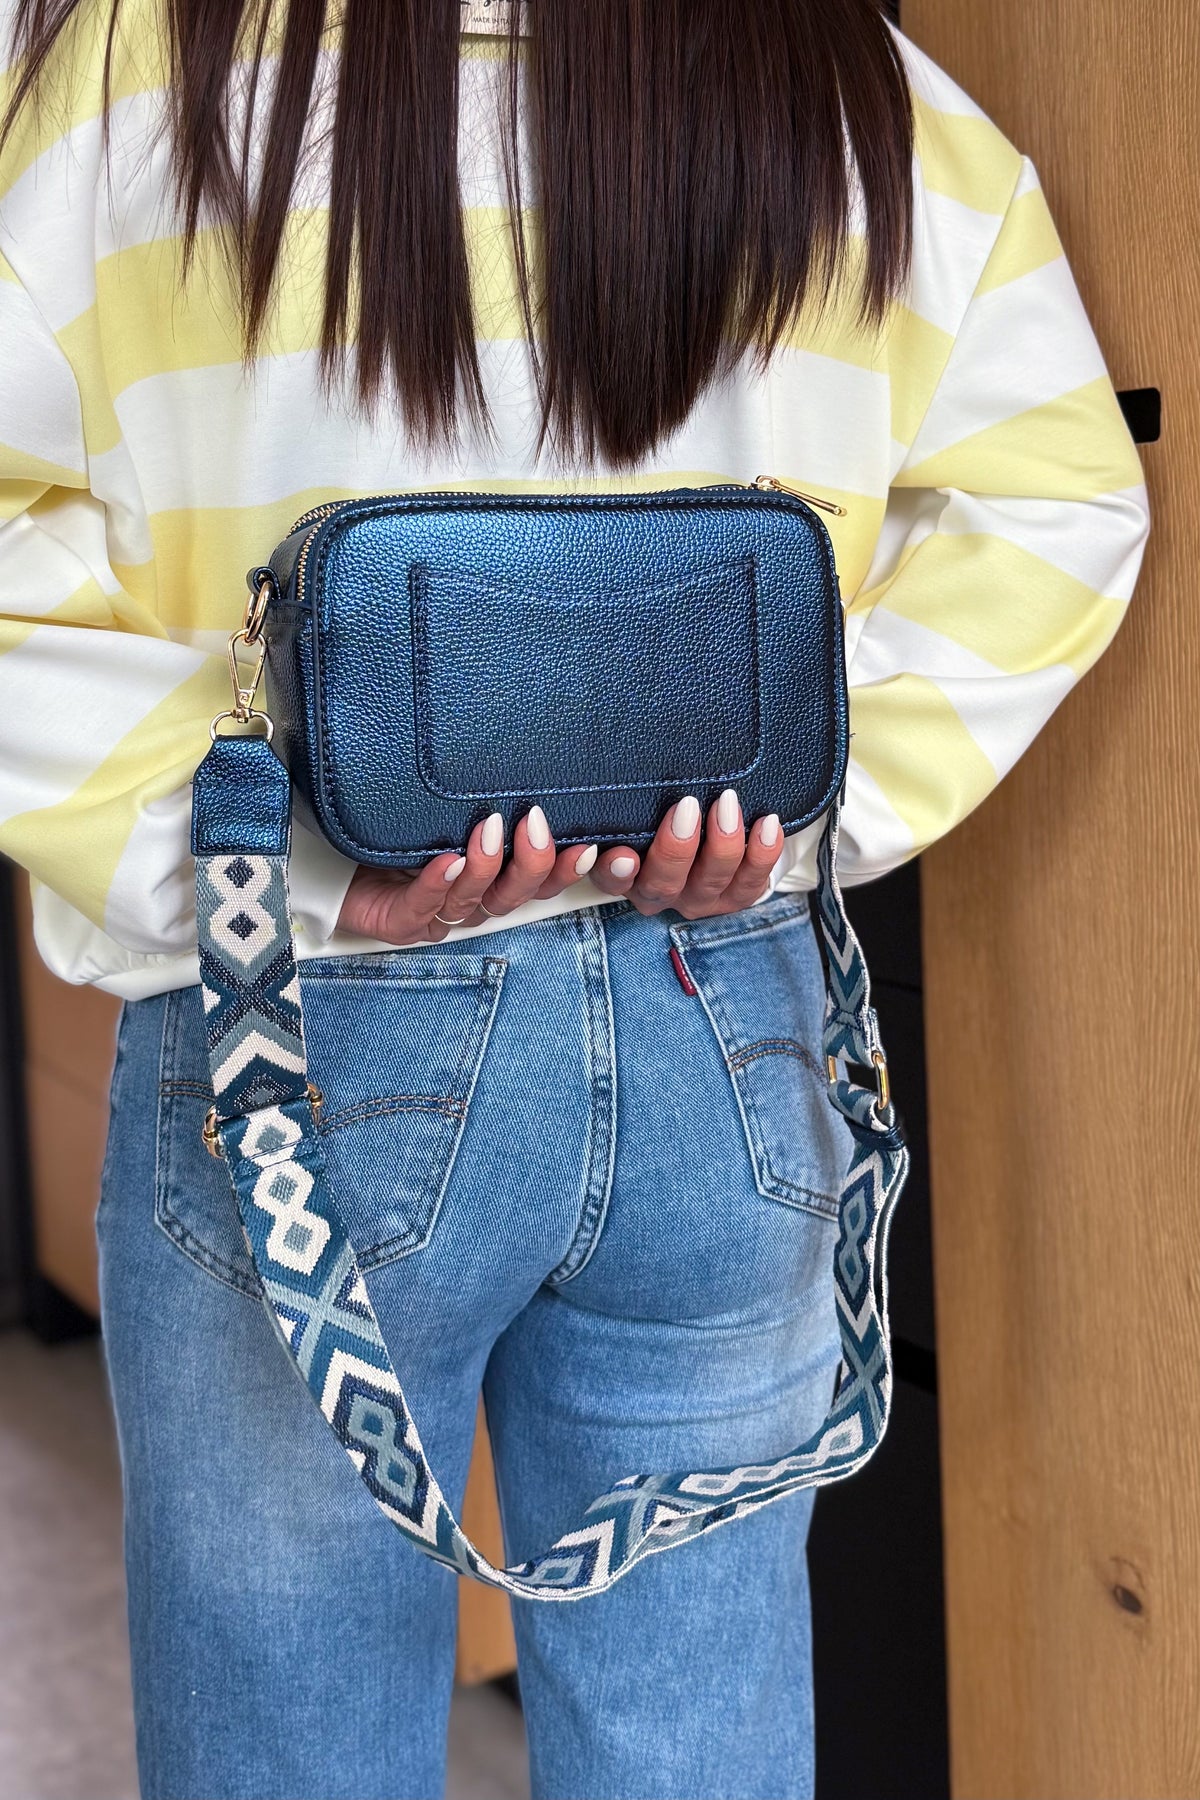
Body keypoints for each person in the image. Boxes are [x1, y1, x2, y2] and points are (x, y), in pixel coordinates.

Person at [0, 3, 1148, 1797]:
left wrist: (273, 853)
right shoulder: (839, 78)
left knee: (291, 1738)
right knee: (698, 1734)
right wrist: (795, 800)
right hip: (732, 1009)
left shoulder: (150, 72)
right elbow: (1060, 499)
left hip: (298, 1044)